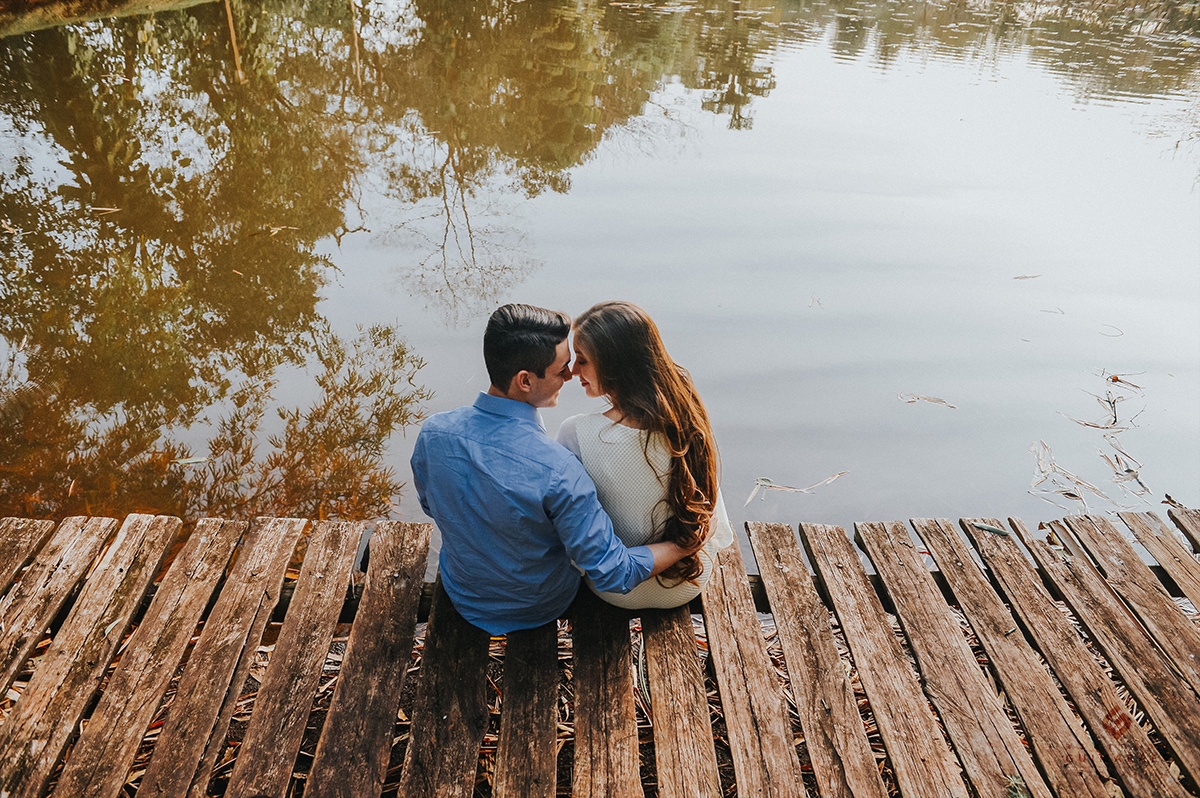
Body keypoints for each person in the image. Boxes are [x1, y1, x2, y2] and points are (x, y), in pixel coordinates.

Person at [410, 303, 701, 635]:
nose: (570, 375)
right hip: (540, 604)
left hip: (464, 594)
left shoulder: (433, 432)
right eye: (562, 368)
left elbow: (431, 504)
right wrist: (683, 546)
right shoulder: (559, 468)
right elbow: (613, 572)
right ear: (525, 380)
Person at [556, 301, 735, 609]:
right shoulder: (687, 415)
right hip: (688, 582)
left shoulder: (575, 432)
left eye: (582, 360)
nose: (573, 371)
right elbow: (709, 507)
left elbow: (566, 527)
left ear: (612, 363)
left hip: (614, 590)